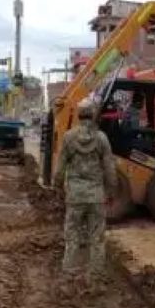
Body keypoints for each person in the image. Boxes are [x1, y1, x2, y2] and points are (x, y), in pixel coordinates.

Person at [54, 98, 116, 278]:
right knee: (96, 236)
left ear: (78, 115)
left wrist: (58, 188)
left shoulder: (68, 137)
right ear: (94, 114)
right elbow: (110, 169)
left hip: (75, 195)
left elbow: (59, 169)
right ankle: (95, 273)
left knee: (72, 234)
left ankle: (70, 270)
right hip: (96, 196)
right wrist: (111, 192)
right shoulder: (102, 138)